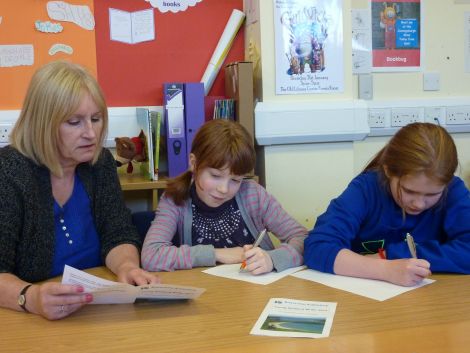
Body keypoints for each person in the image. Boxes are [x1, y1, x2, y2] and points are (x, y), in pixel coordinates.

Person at [0, 61, 159, 320]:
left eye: (96, 119)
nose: (91, 134)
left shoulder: (99, 163)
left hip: (99, 313)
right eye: (74, 122)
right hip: (29, 319)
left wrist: (127, 266)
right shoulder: (9, 172)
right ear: (43, 124)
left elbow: (117, 233)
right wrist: (31, 297)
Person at [304, 122, 470, 287]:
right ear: (388, 170)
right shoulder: (366, 189)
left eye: (433, 194)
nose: (419, 204)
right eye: (409, 191)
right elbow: (317, 247)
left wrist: (391, 255)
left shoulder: (454, 191)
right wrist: (386, 269)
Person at [142, 119, 307, 274]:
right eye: (215, 176)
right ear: (194, 163)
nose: (223, 189)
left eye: (235, 180)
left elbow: (303, 239)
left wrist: (272, 259)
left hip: (255, 292)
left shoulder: (253, 195)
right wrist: (216, 254)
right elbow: (151, 255)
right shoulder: (175, 200)